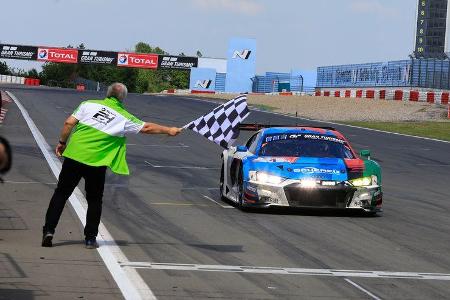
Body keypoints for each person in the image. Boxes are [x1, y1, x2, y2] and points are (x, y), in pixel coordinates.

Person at [42, 83, 182, 249]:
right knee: (94, 200)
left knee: (61, 193)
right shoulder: (123, 116)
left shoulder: (88, 104)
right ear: (123, 98)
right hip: (97, 162)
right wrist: (169, 130)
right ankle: (90, 238)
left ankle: (49, 231)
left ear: (107, 94)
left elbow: (68, 123)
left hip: (74, 156)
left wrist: (62, 142)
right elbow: (147, 128)